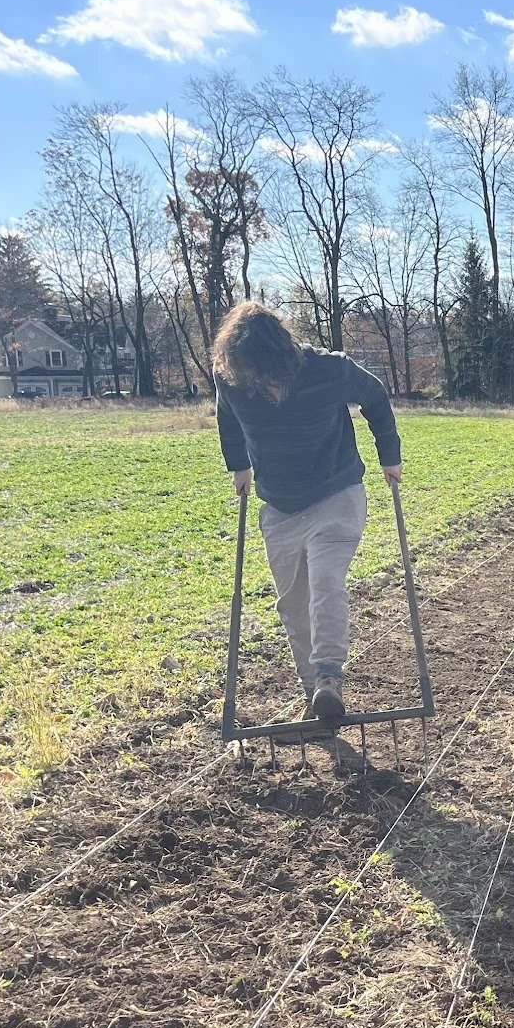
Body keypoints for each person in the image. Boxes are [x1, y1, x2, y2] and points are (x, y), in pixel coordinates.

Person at [213, 302, 403, 722]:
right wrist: (238, 466)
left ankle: (330, 675)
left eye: (270, 371)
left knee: (325, 583)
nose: (265, 382)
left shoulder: (329, 369)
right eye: (254, 374)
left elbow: (374, 395)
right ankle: (314, 693)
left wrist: (390, 456)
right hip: (278, 503)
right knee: (293, 604)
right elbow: (227, 419)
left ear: (285, 354)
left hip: (336, 492)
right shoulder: (232, 379)